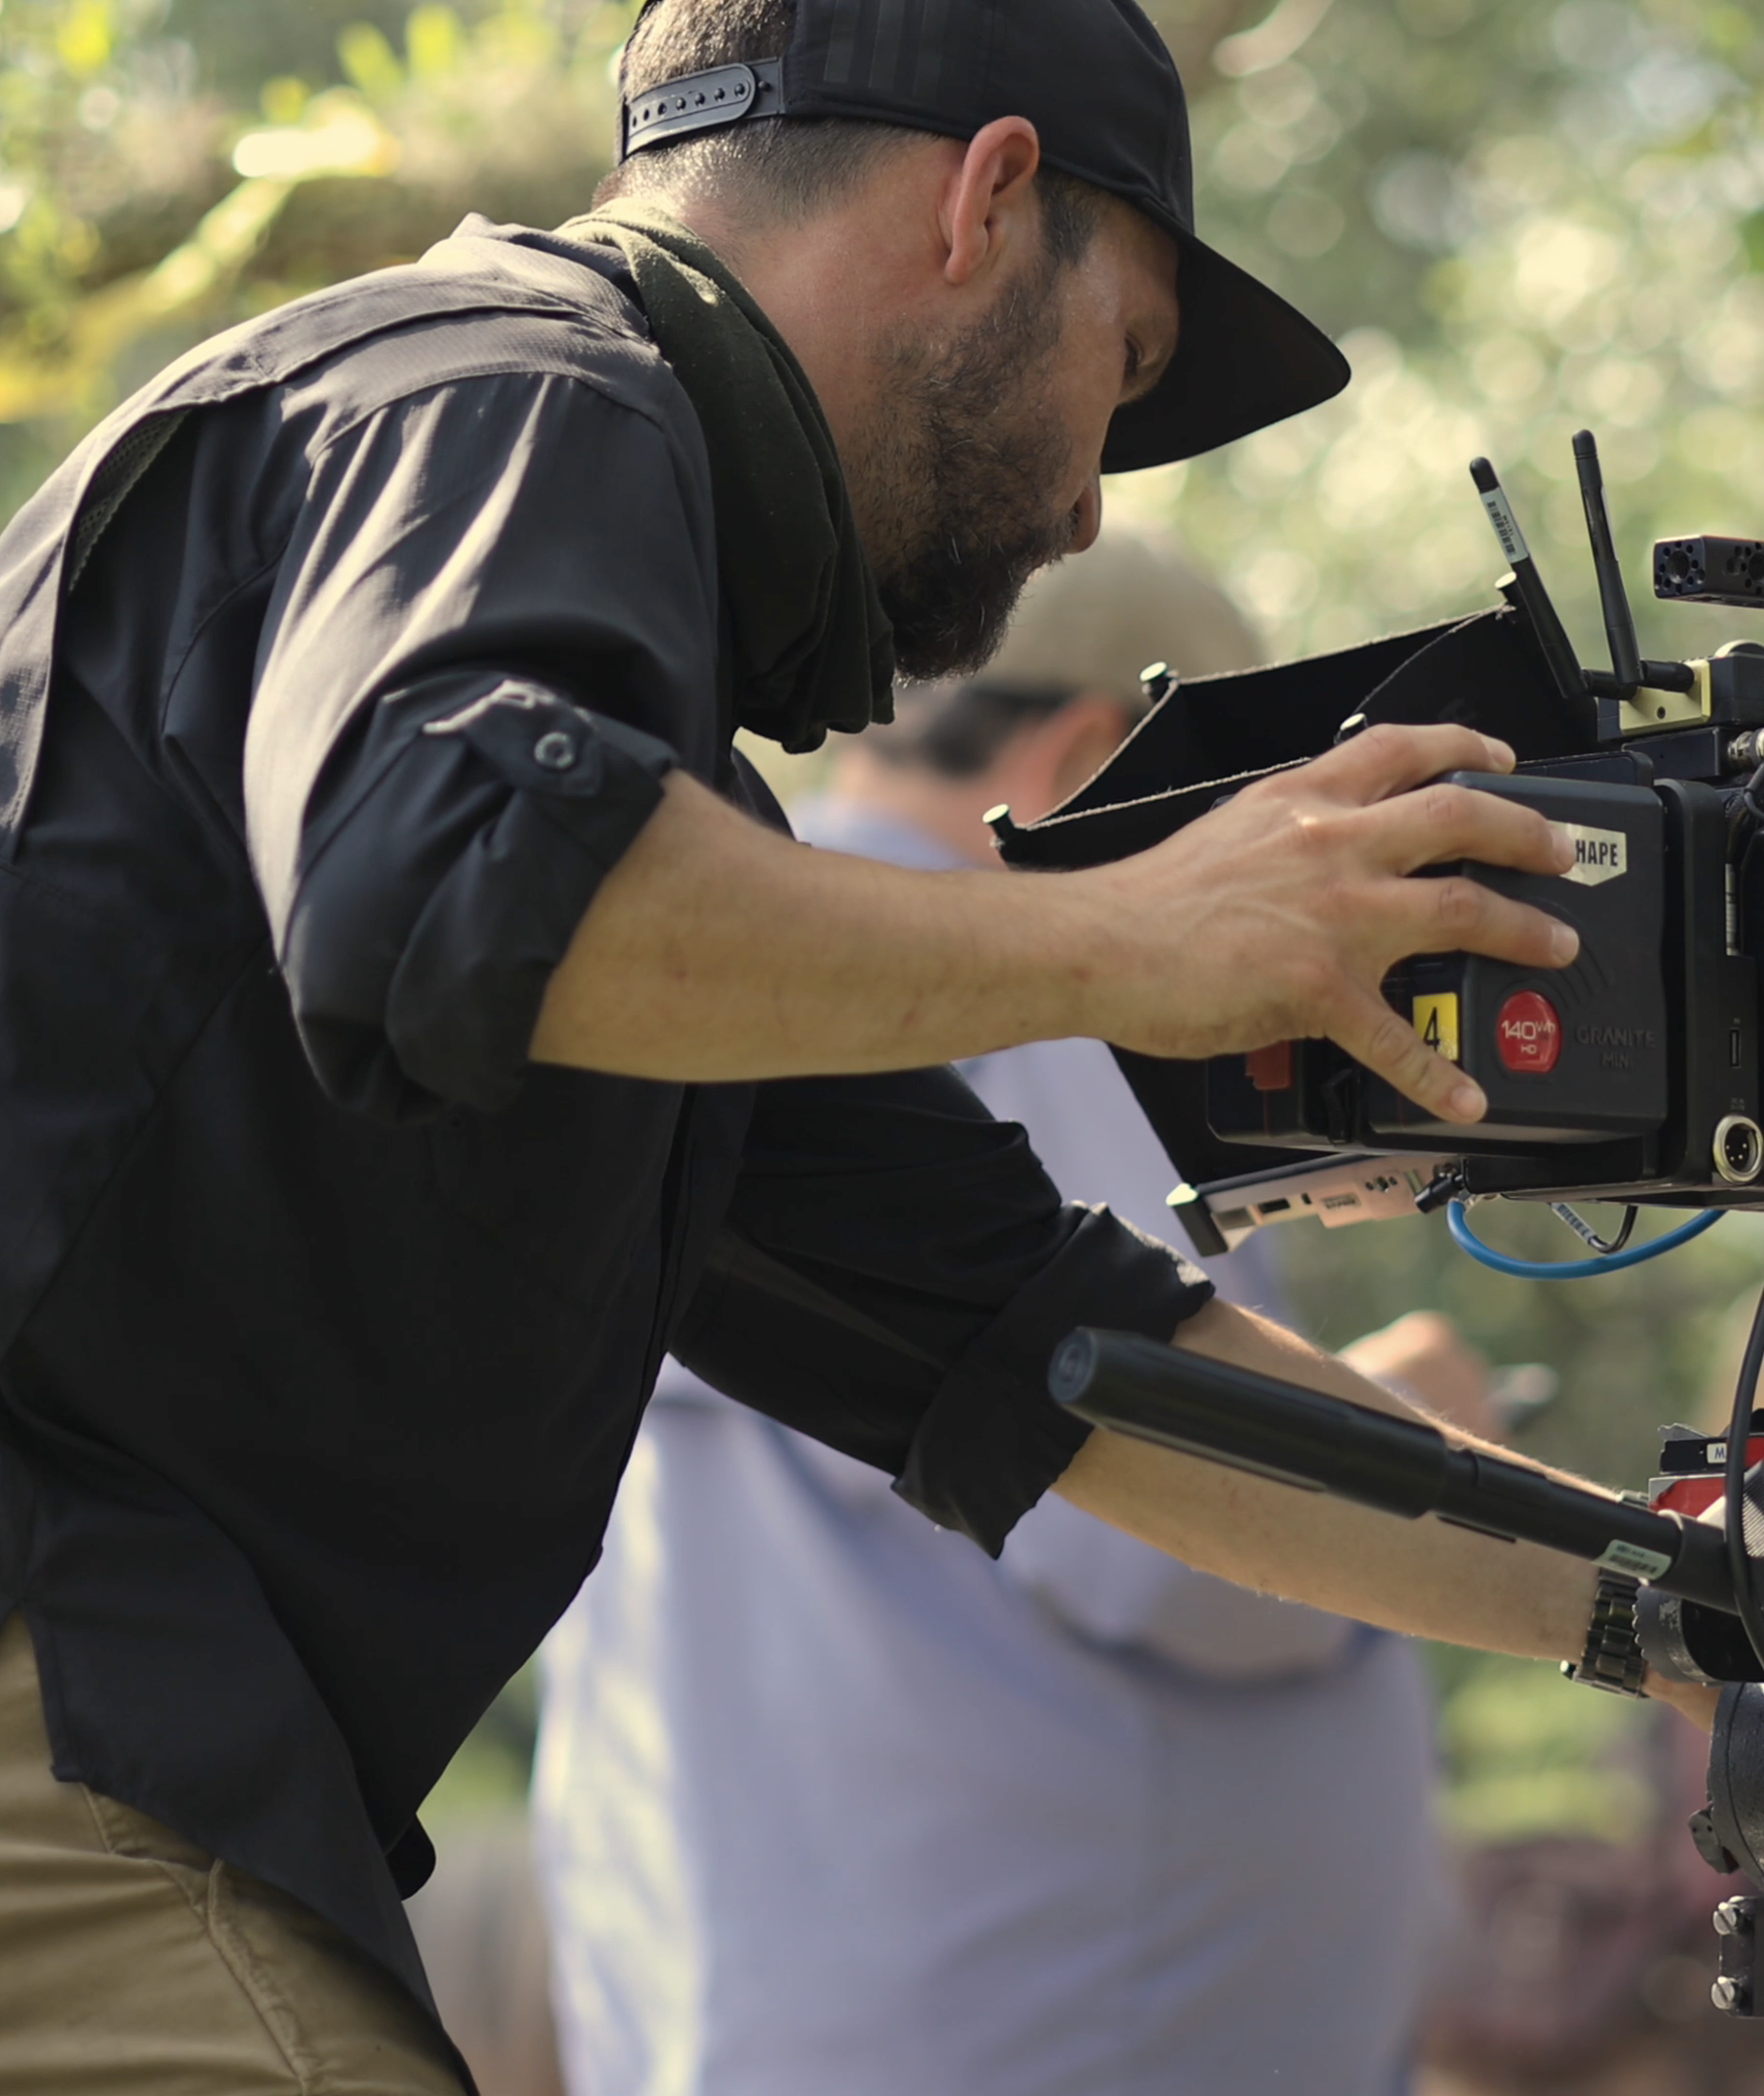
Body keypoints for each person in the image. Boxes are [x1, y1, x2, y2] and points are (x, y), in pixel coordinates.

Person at [0, 0, 1693, 2087]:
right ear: (986, 199)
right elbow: (462, 889)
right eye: (1114, 372)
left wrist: (1688, 1606)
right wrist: (1136, 935)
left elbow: (1059, 1357)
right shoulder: (508, 384)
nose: (1093, 514)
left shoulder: (687, 889)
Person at [530, 536, 1464, 2096]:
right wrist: (1423, 1441)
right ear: (1093, 755)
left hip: (778, 1994)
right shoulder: (1019, 997)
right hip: (1044, 2020)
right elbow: (1186, 1555)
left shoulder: (735, 960)